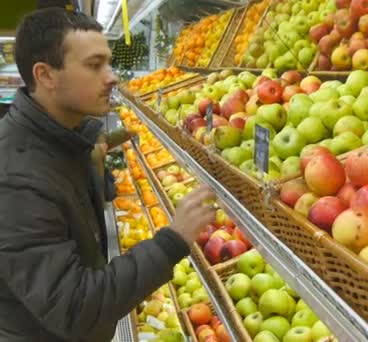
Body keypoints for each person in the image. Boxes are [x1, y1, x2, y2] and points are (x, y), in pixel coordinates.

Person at [0, 8, 217, 341]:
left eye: (109, 62)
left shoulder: (63, 139)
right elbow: (74, 308)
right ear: (46, 76)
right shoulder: (17, 177)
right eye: (94, 65)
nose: (112, 76)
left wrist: (97, 177)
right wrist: (173, 241)